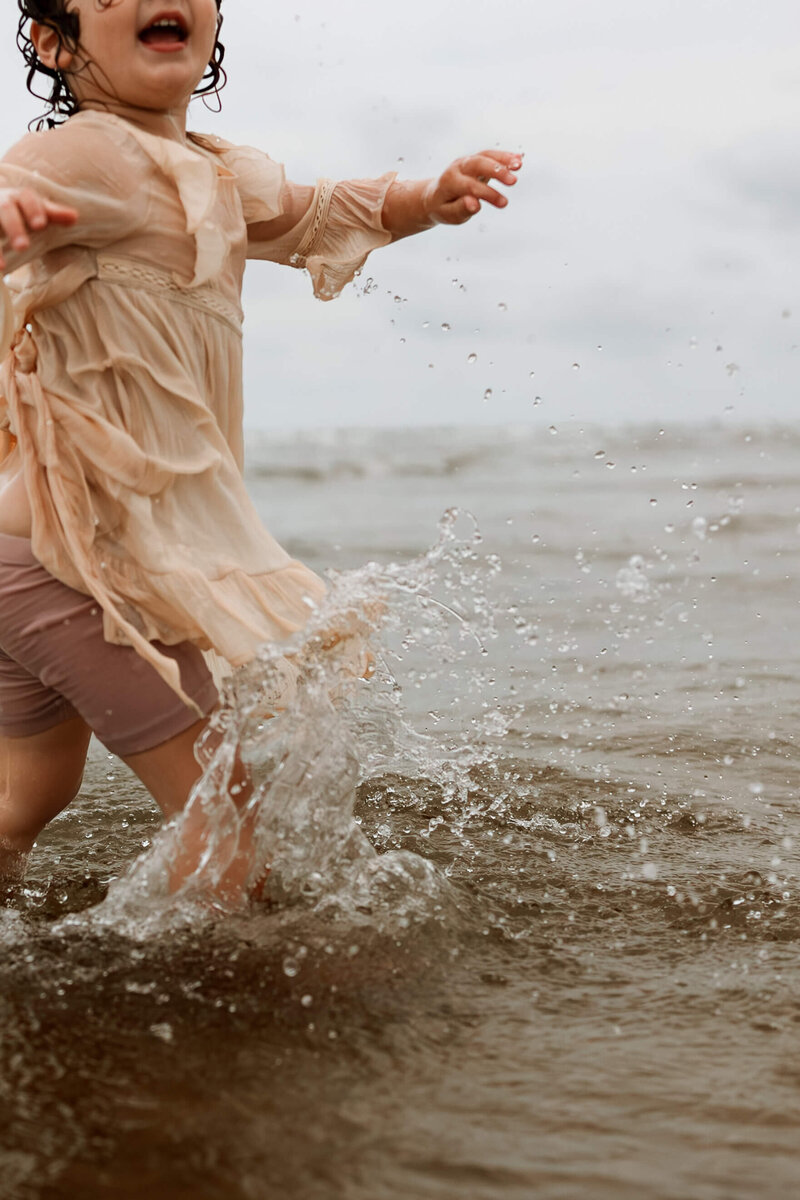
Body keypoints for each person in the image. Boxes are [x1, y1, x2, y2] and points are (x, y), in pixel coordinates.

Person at [0, 0, 521, 896]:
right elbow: (13, 184)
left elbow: (324, 212)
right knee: (227, 823)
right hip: (78, 565)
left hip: (30, 550)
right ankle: (215, 1022)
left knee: (27, 797)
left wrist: (426, 202)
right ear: (55, 42)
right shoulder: (82, 152)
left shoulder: (212, 175)